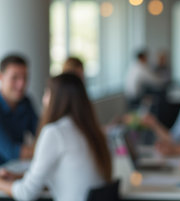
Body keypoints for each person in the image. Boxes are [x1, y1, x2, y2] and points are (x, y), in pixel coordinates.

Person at [0, 73, 112, 201]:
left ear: (56, 99)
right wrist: (20, 176)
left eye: (47, 93)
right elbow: (67, 177)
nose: (44, 99)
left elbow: (26, 193)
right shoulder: (90, 131)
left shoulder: (55, 132)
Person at [0, 54, 38, 165]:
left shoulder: (25, 102)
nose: (21, 84)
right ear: (1, 77)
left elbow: (42, 133)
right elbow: (12, 152)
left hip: (17, 168)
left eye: (25, 78)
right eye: (15, 78)